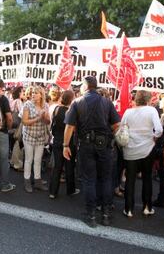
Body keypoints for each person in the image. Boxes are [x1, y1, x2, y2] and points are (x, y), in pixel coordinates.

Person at [63, 76, 120, 227]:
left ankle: (91, 215)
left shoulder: (77, 102)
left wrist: (65, 145)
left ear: (85, 86)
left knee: (89, 180)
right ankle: (106, 215)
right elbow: (117, 126)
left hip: (86, 145)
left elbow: (69, 126)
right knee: (106, 179)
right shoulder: (107, 102)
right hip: (105, 145)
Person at [121, 90, 163, 218]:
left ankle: (128, 209)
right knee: (147, 178)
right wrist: (154, 138)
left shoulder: (128, 112)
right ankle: (147, 207)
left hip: (130, 149)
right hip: (148, 149)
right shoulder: (151, 111)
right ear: (148, 99)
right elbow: (159, 130)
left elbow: (122, 129)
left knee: (130, 179)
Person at [49, 90, 79, 199]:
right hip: (68, 142)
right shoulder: (71, 112)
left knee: (57, 166)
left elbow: (53, 123)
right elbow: (73, 128)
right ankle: (70, 190)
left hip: (57, 140)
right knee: (69, 166)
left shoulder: (56, 109)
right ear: (71, 99)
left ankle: (53, 192)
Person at [21, 86, 50, 193]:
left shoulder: (46, 105)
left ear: (41, 95)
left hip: (40, 136)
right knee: (29, 160)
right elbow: (24, 122)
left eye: (36, 93)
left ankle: (37, 181)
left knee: (38, 160)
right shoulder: (27, 104)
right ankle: (27, 180)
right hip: (29, 136)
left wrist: (45, 117)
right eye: (33, 92)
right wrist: (38, 118)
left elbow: (48, 122)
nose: (33, 94)